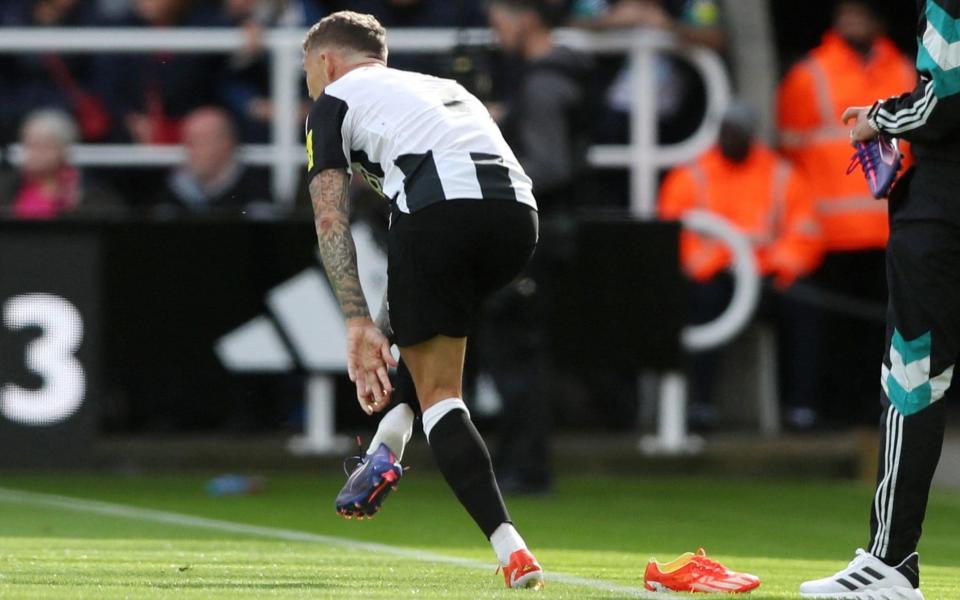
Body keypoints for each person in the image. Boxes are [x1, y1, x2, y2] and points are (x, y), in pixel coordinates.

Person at [301, 11, 544, 589]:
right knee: (422, 334)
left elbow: (330, 216)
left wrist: (358, 319)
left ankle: (510, 547)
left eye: (308, 72)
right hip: (517, 221)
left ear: (326, 63)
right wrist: (384, 320)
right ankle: (388, 441)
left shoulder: (332, 99)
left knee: (442, 396)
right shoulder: (442, 87)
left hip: (438, 211)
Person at [800, 1, 960, 598]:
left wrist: (880, 116)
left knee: (914, 376)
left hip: (943, 216)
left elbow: (942, 99)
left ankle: (890, 562)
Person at [777, 0, 916, 426]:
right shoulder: (809, 74)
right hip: (828, 231)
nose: (850, 21)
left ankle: (874, 408)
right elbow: (790, 150)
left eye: (859, 13)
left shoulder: (906, 71)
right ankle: (832, 410)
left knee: (886, 330)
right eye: (845, 13)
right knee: (836, 332)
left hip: (889, 225)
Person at [659, 102, 822, 428]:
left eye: (737, 133)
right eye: (725, 131)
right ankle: (700, 406)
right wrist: (716, 264)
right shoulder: (691, 175)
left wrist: (778, 267)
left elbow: (805, 232)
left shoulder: (780, 174)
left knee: (806, 308)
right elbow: (673, 235)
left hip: (766, 279)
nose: (729, 138)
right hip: (715, 279)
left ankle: (801, 407)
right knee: (701, 305)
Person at [0, 109, 121, 219]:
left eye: (44, 146)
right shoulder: (7, 188)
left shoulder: (88, 193)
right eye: (30, 146)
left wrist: (75, 206)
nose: (35, 154)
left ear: (64, 150)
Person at [154, 107, 270, 212]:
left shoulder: (257, 193)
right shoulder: (170, 193)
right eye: (187, 141)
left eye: (200, 140)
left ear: (227, 143)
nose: (191, 149)